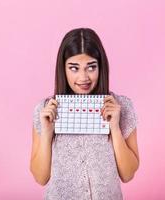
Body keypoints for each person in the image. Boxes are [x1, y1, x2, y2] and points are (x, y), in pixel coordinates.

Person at [30, 27, 139, 200]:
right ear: (63, 69)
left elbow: (128, 174)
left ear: (100, 66)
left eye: (91, 67)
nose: (83, 78)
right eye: (74, 68)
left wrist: (115, 130)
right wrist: (47, 134)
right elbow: (40, 177)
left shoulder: (122, 106)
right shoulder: (45, 110)